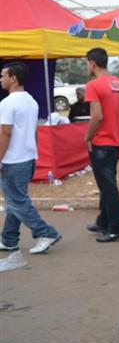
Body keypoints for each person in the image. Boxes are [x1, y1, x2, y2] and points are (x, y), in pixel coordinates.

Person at [0, 62, 61, 254]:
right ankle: (9, 239)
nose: (1, 80)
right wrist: (34, 153)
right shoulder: (31, 101)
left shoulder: (7, 103)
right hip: (27, 157)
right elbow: (34, 131)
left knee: (16, 201)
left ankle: (46, 232)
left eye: (3, 76)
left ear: (13, 79)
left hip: (13, 159)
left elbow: (5, 133)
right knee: (16, 201)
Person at [84, 48, 119, 243]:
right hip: (117, 142)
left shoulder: (93, 85)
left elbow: (97, 116)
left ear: (92, 64)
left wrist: (87, 137)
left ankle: (117, 228)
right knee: (108, 183)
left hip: (101, 143)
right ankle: (103, 221)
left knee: (108, 188)